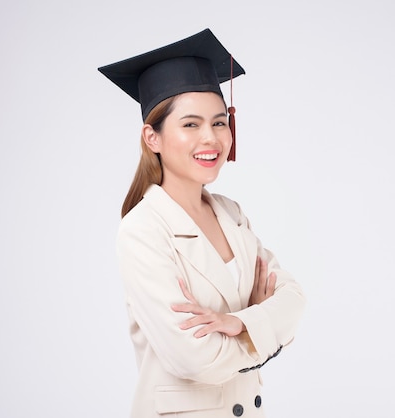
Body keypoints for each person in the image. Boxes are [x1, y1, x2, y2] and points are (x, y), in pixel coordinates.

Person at [98, 28, 306, 418]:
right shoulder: (143, 230)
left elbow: (294, 299)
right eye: (190, 125)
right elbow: (195, 359)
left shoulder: (231, 212)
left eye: (218, 122)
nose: (211, 138)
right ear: (152, 137)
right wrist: (261, 323)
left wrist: (235, 323)